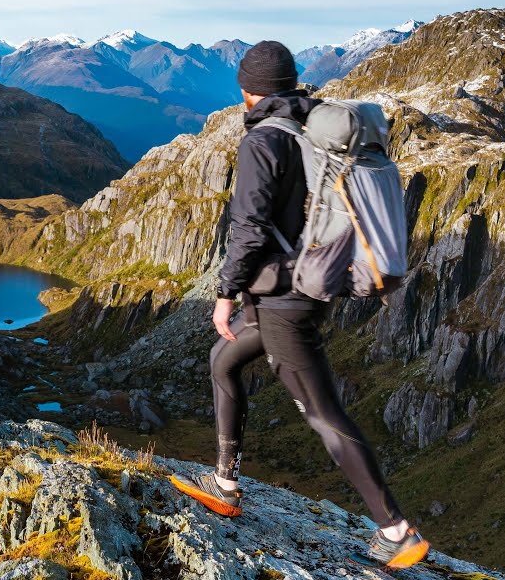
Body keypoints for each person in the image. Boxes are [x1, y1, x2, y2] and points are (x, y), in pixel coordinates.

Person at [169, 41, 430, 570]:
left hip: (287, 301)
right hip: (291, 290)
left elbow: (249, 226)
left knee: (322, 413)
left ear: (247, 90)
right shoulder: (311, 128)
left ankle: (397, 530)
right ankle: (224, 483)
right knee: (225, 362)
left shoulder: (263, 140)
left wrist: (223, 294)